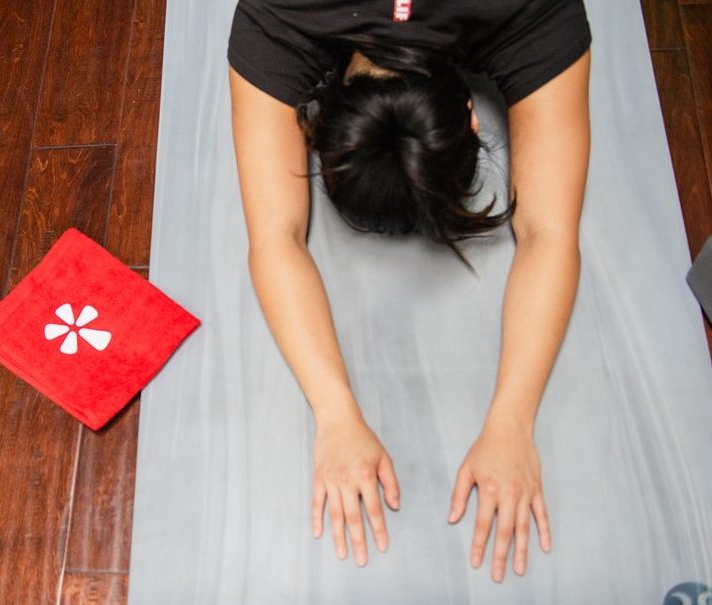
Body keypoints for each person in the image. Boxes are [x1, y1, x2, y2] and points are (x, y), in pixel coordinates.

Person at [227, 0, 592, 584]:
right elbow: (275, 238)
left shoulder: (535, 11)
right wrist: (335, 414)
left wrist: (513, 422)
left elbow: (549, 232)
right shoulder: (277, 16)